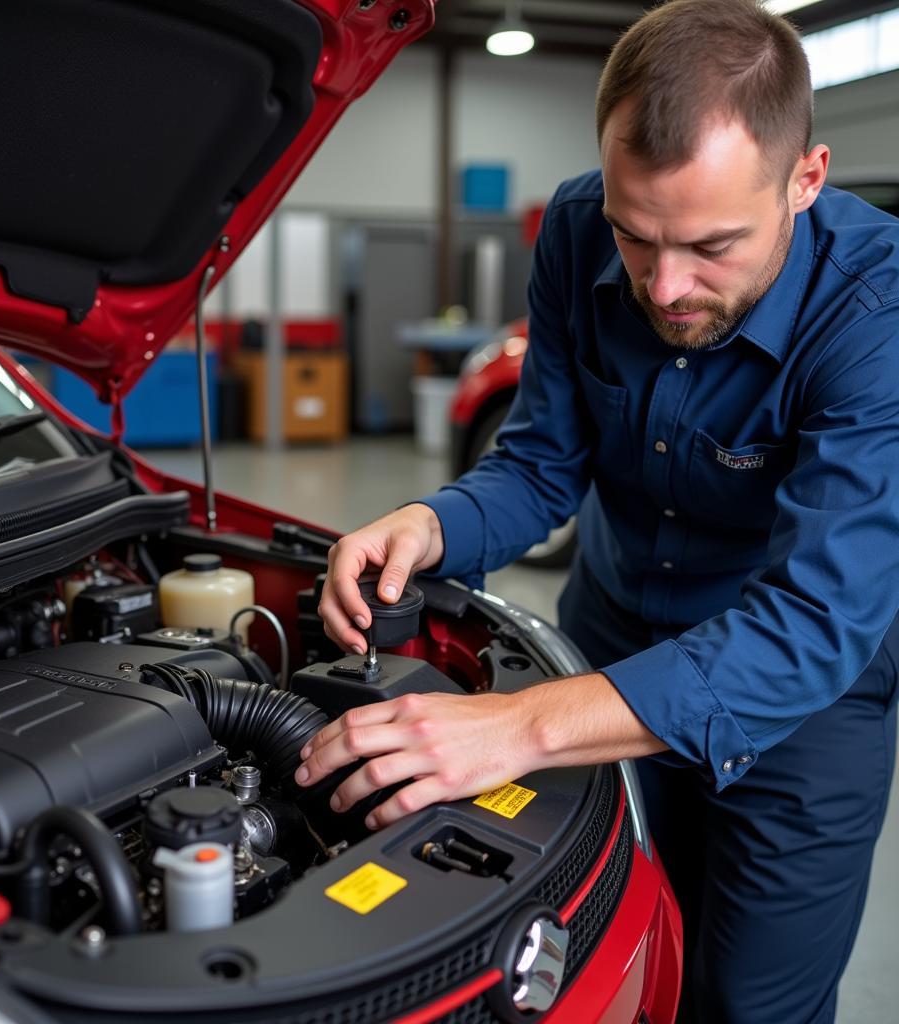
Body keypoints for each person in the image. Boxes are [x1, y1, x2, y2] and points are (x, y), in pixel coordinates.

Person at [295, 0, 899, 1020]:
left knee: (750, 1001)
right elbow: (538, 465)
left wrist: (519, 726)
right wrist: (430, 524)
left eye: (711, 245)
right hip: (609, 646)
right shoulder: (578, 229)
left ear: (805, 178)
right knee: (608, 951)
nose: (665, 287)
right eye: (637, 237)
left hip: (804, 710)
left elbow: (812, 621)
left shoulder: (874, 309)